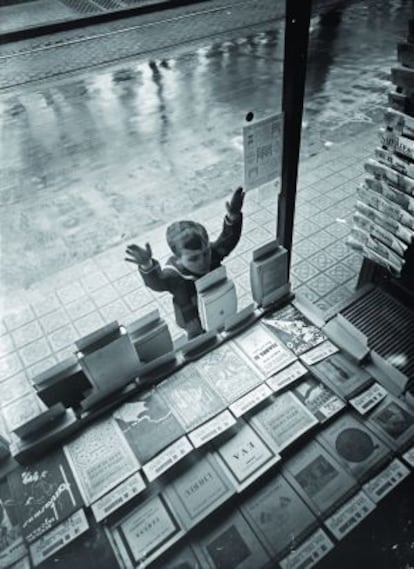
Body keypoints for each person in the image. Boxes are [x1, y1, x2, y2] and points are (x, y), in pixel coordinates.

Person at [125, 187, 245, 339]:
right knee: (201, 344)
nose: (203, 261)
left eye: (206, 252)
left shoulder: (212, 255)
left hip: (219, 306)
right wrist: (147, 265)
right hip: (193, 321)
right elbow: (157, 283)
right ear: (177, 258)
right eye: (193, 258)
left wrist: (233, 217)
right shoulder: (174, 276)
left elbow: (228, 240)